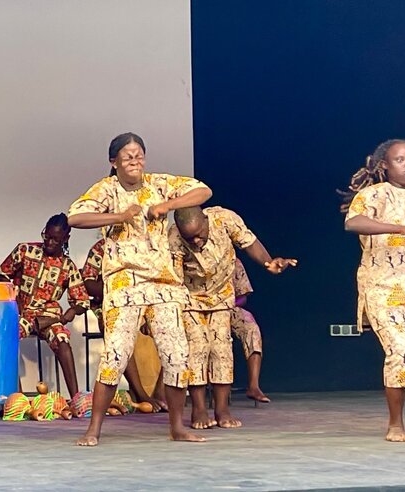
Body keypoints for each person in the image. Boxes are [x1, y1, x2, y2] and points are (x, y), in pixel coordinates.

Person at [68, 132, 212, 445]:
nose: (135, 161)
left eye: (139, 155)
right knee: (115, 356)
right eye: (127, 156)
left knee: (177, 356)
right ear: (114, 162)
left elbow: (203, 190)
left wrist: (168, 205)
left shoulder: (158, 183)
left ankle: (177, 427)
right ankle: (93, 429)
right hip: (124, 283)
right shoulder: (106, 189)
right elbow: (75, 217)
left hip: (163, 284)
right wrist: (119, 216)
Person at [342, 139, 405, 442]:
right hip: (384, 293)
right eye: (400, 159)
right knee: (403, 352)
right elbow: (353, 223)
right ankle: (396, 424)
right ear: (384, 165)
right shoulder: (374, 195)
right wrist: (400, 228)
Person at [169, 206, 296, 429]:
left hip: (221, 296)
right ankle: (199, 409)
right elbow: (173, 278)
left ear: (205, 221)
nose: (196, 241)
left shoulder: (224, 219)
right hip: (190, 298)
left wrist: (268, 262)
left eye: (199, 234)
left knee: (221, 350)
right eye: (190, 238)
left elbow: (249, 242)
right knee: (197, 349)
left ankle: (222, 410)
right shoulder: (173, 237)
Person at [0, 214, 89, 400]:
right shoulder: (25, 251)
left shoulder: (67, 266)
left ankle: (76, 398)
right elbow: (1, 274)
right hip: (22, 313)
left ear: (66, 239)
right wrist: (12, 293)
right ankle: (17, 398)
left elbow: (82, 301)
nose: (49, 242)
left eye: (55, 239)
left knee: (62, 341)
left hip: (49, 317)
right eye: (46, 236)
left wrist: (72, 311)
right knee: (7, 337)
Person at [81, 238, 167, 411]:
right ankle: (141, 395)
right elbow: (88, 283)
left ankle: (161, 393)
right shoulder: (102, 247)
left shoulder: (149, 244)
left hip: (146, 301)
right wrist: (117, 290)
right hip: (112, 304)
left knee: (174, 329)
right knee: (117, 333)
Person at [229, 258, 269, 402]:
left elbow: (243, 296)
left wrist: (228, 304)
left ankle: (254, 386)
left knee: (251, 327)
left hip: (228, 308)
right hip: (197, 309)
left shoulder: (233, 261)